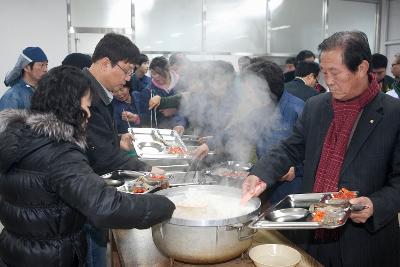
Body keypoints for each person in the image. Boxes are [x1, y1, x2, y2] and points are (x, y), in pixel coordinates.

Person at [242, 31, 400, 267]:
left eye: (335, 73)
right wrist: (259, 173)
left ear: (362, 67)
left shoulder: (392, 114)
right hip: (313, 232)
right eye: (324, 73)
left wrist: (376, 204)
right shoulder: (317, 106)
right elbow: (290, 148)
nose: (328, 81)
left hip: (363, 243)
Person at [0, 65, 175, 267]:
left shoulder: (23, 138)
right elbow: (105, 207)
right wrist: (165, 205)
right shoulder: (59, 152)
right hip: (51, 258)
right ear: (71, 106)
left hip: (16, 251)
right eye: (87, 106)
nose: (89, 115)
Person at [82, 33, 163, 267]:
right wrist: (147, 169)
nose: (128, 79)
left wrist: (116, 140)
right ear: (106, 63)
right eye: (126, 71)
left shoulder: (96, 91)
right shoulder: (86, 93)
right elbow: (101, 156)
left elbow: (91, 140)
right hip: (83, 193)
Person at [138, 56, 187, 134]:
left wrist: (180, 123)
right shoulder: (148, 91)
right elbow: (146, 117)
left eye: (160, 73)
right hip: (160, 132)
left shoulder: (182, 85)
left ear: (168, 70)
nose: (156, 77)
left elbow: (189, 109)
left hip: (181, 131)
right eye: (153, 73)